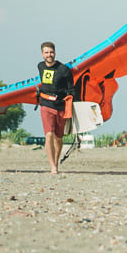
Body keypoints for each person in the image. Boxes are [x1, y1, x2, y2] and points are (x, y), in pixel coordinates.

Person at [37, 41, 73, 175]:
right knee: (49, 135)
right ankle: (53, 166)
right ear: (42, 54)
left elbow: (72, 89)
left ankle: (56, 162)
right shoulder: (40, 66)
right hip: (46, 105)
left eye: (51, 52)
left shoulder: (63, 69)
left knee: (58, 138)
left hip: (60, 106)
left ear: (55, 53)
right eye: (46, 52)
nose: (49, 55)